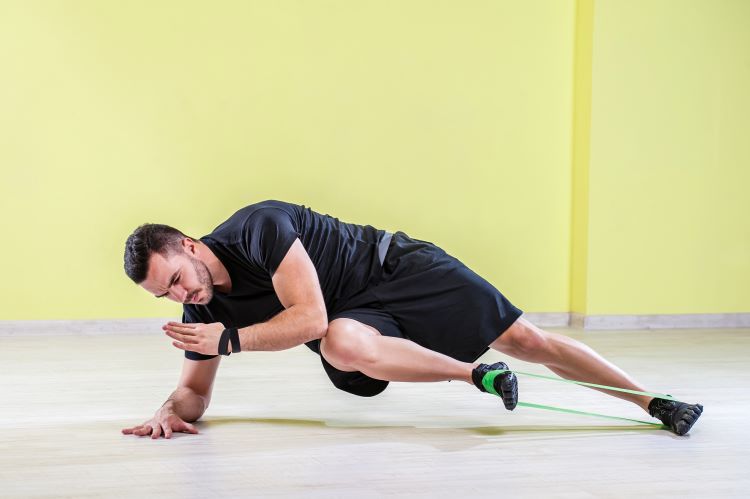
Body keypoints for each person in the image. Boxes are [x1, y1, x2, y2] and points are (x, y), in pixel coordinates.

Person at [121, 200, 702, 439]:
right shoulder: (203, 310)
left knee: (524, 338)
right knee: (340, 346)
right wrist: (169, 411)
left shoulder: (257, 229)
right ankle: (479, 376)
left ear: (191, 247)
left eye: (175, 278)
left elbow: (308, 313)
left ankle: (653, 402)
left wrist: (231, 340)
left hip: (396, 267)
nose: (180, 295)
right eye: (164, 296)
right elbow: (194, 391)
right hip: (357, 317)